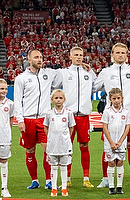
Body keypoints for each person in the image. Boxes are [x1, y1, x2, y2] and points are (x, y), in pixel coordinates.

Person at [94, 43, 130, 188]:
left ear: (127, 55)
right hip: (111, 115)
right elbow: (93, 86)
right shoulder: (105, 72)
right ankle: (106, 178)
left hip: (129, 114)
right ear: (112, 55)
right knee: (108, 146)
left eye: (123, 52)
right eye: (117, 52)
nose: (120, 55)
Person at [14, 49, 60, 190]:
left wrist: (82, 66)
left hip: (44, 119)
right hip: (27, 119)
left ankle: (49, 180)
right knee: (30, 150)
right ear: (29, 59)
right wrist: (20, 120)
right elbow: (17, 101)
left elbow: (66, 73)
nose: (39, 59)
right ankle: (34, 180)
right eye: (36, 57)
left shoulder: (48, 74)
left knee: (48, 149)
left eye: (40, 57)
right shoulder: (21, 78)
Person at [55, 47, 96, 188]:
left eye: (81, 55)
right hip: (69, 117)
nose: (79, 57)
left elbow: (95, 86)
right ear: (70, 57)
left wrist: (91, 71)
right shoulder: (64, 73)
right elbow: (54, 86)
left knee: (84, 146)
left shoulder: (88, 72)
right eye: (76, 55)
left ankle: (86, 178)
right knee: (67, 147)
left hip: (84, 116)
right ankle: (66, 179)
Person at [43, 89, 75, 197]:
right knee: (53, 166)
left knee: (64, 166)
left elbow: (71, 128)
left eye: (60, 98)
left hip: (65, 144)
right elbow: (46, 127)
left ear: (64, 100)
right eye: (56, 98)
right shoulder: (49, 113)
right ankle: (54, 188)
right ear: (52, 100)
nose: (58, 100)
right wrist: (51, 137)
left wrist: (65, 138)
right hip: (52, 145)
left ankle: (64, 188)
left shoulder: (68, 113)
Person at [101, 88, 130, 195]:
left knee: (120, 162)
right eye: (114, 98)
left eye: (118, 98)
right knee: (110, 162)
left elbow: (127, 128)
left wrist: (120, 142)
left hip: (121, 142)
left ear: (122, 99)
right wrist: (111, 143)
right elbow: (105, 128)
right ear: (110, 99)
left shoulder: (126, 112)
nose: (116, 100)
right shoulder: (107, 112)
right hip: (110, 142)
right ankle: (111, 187)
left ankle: (119, 186)